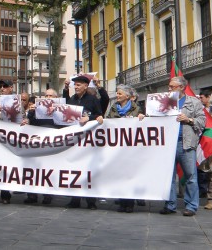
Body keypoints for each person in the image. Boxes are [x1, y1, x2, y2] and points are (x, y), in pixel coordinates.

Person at [159, 76, 205, 217]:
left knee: (190, 176)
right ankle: (170, 204)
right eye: (169, 86)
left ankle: (191, 206)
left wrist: (189, 119)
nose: (169, 88)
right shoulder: (164, 101)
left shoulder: (194, 102)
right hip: (168, 143)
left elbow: (202, 121)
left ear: (181, 87)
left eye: (172, 86)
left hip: (186, 143)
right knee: (168, 176)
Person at [65, 75, 104, 210]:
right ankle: (74, 199)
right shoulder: (71, 100)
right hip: (75, 141)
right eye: (75, 85)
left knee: (88, 171)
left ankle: (91, 201)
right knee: (75, 170)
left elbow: (99, 116)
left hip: (89, 141)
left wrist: (89, 118)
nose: (76, 87)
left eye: (79, 85)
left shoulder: (93, 100)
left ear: (86, 86)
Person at [105, 84, 144, 213]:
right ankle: (122, 202)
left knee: (129, 174)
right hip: (117, 146)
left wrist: (141, 118)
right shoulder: (113, 108)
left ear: (127, 96)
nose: (117, 95)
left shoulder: (137, 108)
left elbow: (145, 123)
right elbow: (108, 121)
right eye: (117, 93)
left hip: (131, 146)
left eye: (120, 94)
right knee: (120, 174)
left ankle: (130, 203)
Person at [22, 88, 60, 205]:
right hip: (37, 143)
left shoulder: (59, 109)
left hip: (52, 143)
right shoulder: (37, 108)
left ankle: (47, 195)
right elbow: (31, 122)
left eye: (51, 96)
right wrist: (32, 112)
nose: (48, 98)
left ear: (56, 98)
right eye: (46, 96)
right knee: (34, 169)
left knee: (48, 170)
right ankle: (32, 195)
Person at [0, 78, 17, 204]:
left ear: (11, 88)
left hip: (10, 140)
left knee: (7, 167)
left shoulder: (17, 101)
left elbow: (22, 117)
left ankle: (5, 195)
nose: (2, 88)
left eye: (5, 86)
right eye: (0, 86)